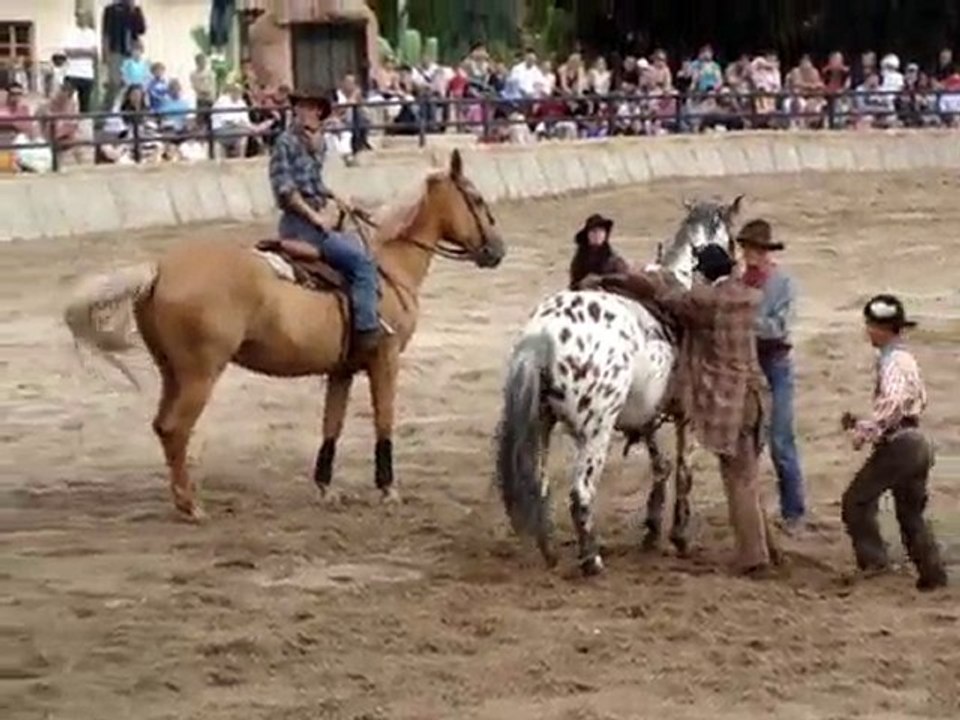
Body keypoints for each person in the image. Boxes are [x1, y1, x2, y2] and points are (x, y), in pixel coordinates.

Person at [585, 245, 779, 576]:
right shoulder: (747, 296)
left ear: (703, 273)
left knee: (738, 481)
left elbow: (665, 296)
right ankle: (766, 548)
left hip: (730, 402)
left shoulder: (705, 302)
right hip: (757, 394)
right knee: (748, 476)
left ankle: (753, 559)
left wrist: (614, 278)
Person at [840, 295, 947, 591]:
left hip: (901, 444)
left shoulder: (891, 361)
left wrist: (865, 431)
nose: (867, 331)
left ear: (882, 329)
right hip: (918, 441)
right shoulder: (906, 358)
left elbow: (894, 404)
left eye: (871, 325)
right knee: (911, 514)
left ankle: (875, 565)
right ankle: (933, 574)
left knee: (856, 501)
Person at [269, 88, 381, 356]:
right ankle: (366, 331)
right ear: (296, 111)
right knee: (362, 264)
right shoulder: (285, 143)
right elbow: (286, 190)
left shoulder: (315, 145)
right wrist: (317, 218)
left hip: (311, 218)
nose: (308, 113)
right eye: (303, 108)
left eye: (313, 109)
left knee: (357, 244)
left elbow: (315, 184)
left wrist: (341, 199)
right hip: (301, 225)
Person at [736, 220, 807, 532]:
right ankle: (755, 512)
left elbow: (780, 328)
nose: (750, 254)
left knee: (780, 440)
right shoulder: (738, 281)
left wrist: (745, 320)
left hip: (775, 364)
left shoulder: (784, 284)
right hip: (747, 365)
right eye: (747, 248)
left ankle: (793, 512)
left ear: (766, 251)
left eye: (755, 249)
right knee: (746, 442)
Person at [568, 214, 629, 290]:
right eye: (594, 231)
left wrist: (601, 279)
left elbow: (624, 278)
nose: (597, 235)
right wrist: (582, 284)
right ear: (588, 235)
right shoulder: (579, 259)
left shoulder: (614, 258)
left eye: (601, 231)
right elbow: (573, 282)